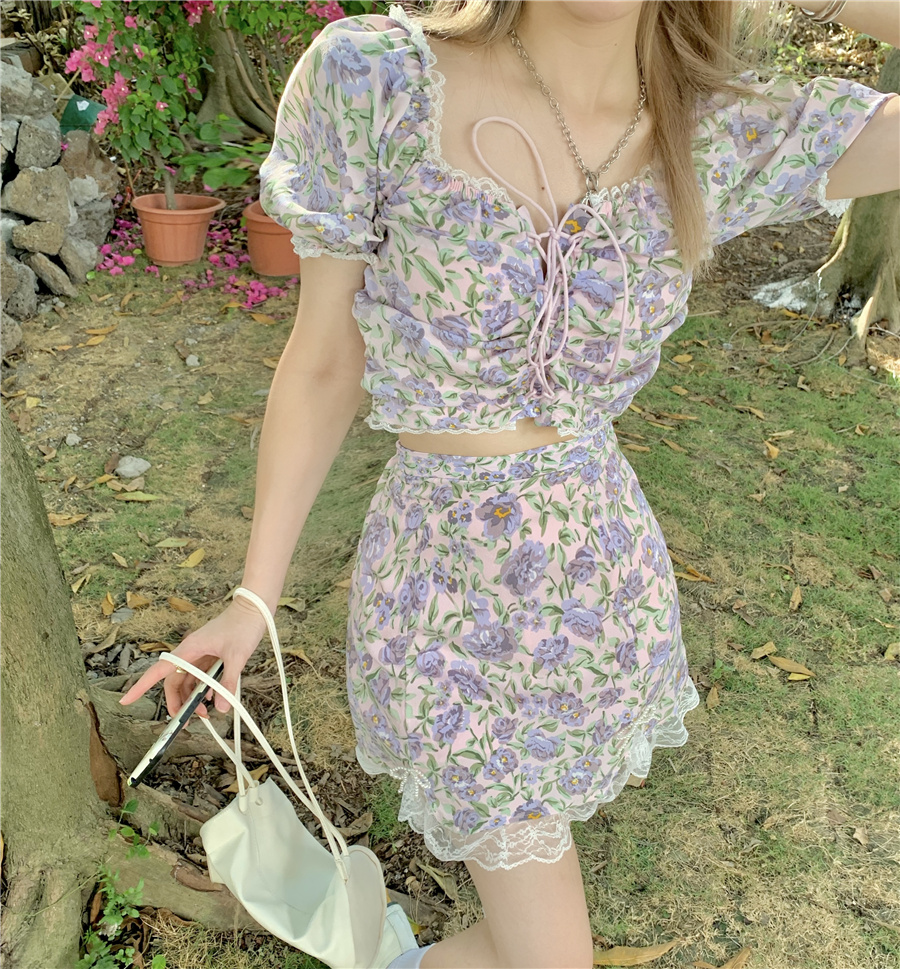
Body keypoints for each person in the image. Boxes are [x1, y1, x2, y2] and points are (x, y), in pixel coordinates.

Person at [120, 1, 899, 966]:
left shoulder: (719, 130)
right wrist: (254, 596)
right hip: (447, 603)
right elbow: (323, 359)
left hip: (601, 594)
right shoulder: (376, 77)